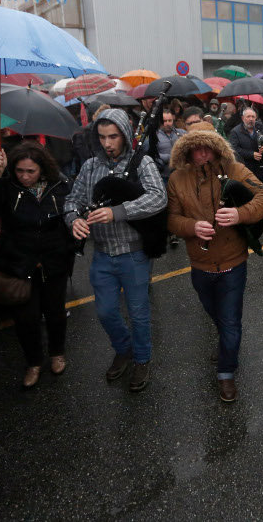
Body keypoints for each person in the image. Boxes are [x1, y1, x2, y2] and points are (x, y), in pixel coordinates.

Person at [166, 129, 263, 402]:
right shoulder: (177, 179)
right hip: (199, 264)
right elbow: (171, 219)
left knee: (230, 320)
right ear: (187, 151)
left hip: (233, 262)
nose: (202, 153)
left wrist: (240, 213)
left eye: (208, 148)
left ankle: (226, 373)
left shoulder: (234, 169)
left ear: (217, 148)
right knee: (215, 313)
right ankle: (227, 341)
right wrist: (191, 227)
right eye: (196, 149)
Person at [64, 109, 167, 391]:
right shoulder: (89, 166)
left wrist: (118, 211)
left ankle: (142, 359)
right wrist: (73, 220)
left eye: (113, 136)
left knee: (138, 313)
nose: (107, 143)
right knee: (106, 312)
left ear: (124, 135)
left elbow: (159, 198)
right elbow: (72, 200)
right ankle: (124, 349)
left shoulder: (141, 162)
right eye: (102, 137)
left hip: (133, 254)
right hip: (102, 254)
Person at [0, 142, 74, 388]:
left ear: (42, 170)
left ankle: (57, 353)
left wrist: (70, 246)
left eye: (30, 171)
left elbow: (72, 215)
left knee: (55, 313)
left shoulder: (60, 186)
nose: (24, 176)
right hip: (20, 265)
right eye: (20, 170)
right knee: (26, 318)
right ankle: (33, 362)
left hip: (53, 262)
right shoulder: (7, 187)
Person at [229, 107, 263, 184]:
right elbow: (234, 149)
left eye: (253, 117)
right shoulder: (235, 131)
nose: (251, 119)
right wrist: (251, 154)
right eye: (248, 117)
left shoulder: (261, 126)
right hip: (247, 169)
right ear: (243, 118)